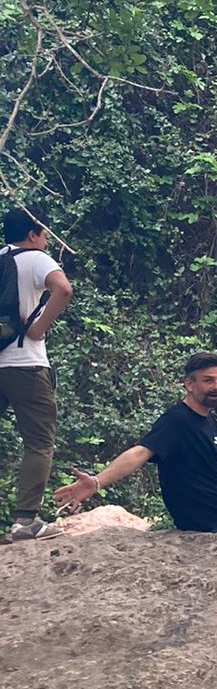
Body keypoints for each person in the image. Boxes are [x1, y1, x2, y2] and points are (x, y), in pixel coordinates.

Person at [53, 352, 217, 533]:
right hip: (211, 525)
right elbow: (139, 453)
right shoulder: (176, 421)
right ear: (189, 384)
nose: (216, 387)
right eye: (208, 381)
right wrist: (96, 482)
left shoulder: (208, 419)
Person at [1, 207, 73, 540]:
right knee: (39, 442)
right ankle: (25, 521)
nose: (46, 239)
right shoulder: (35, 259)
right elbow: (63, 289)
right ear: (32, 234)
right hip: (25, 365)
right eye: (44, 233)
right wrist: (39, 328)